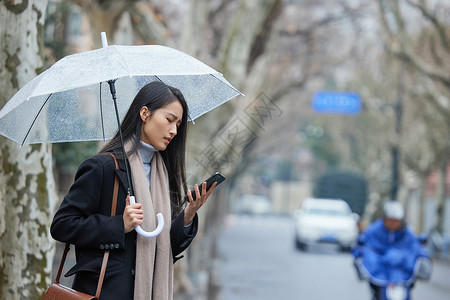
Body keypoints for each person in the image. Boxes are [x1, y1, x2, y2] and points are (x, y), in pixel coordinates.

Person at [51, 81, 217, 300]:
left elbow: (167, 245)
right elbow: (62, 225)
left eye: (178, 124)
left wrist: (188, 214)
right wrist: (119, 224)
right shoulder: (103, 167)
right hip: (105, 292)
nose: (174, 130)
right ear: (145, 113)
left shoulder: (164, 174)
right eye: (169, 120)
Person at [352, 201, 427, 300]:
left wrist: (423, 256)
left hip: (402, 274)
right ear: (384, 219)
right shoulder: (374, 230)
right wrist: (360, 254)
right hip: (379, 273)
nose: (392, 223)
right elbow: (364, 245)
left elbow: (415, 247)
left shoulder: (407, 234)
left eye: (396, 221)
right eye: (390, 220)